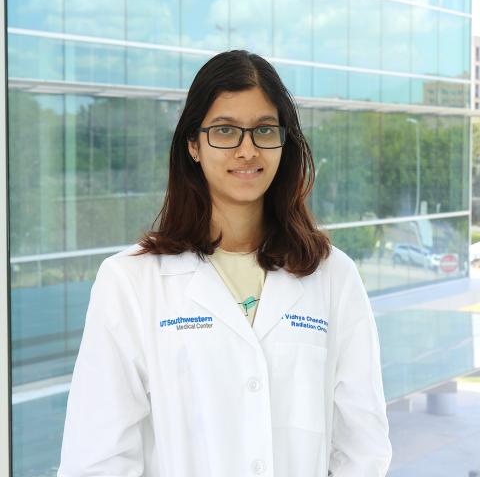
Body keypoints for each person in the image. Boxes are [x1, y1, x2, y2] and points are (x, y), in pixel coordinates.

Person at [57, 49, 392, 477]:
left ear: (283, 143)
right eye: (225, 130)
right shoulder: (130, 281)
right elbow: (97, 457)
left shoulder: (333, 275)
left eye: (264, 130)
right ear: (193, 145)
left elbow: (362, 446)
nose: (247, 150)